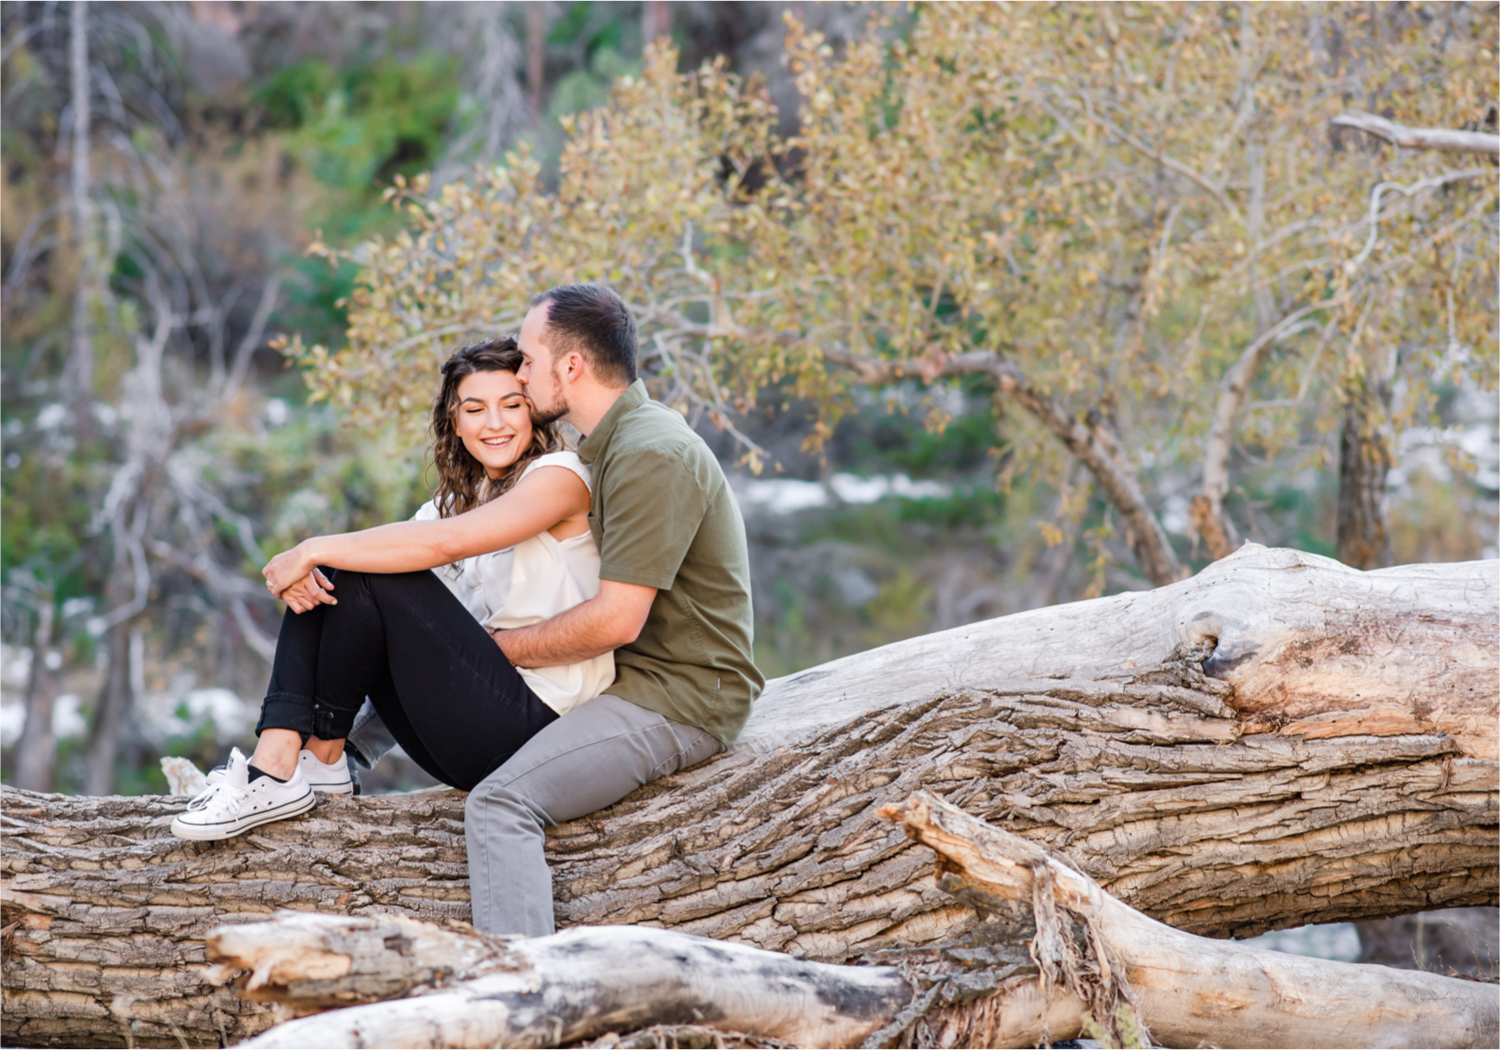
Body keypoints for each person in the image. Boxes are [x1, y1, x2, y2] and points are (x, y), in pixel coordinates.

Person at [172, 338, 614, 840]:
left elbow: (442, 545)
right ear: (454, 421)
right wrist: (311, 565)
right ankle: (313, 760)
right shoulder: (457, 500)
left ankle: (277, 768)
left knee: (356, 565)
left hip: (541, 735)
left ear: (534, 411)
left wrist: (312, 549)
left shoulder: (561, 477)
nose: (495, 423)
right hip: (471, 734)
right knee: (346, 569)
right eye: (475, 409)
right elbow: (388, 562)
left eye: (512, 405)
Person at [464, 283, 764, 937]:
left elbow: (615, 621)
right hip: (628, 683)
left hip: (678, 701)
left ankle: (519, 1000)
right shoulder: (610, 448)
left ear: (571, 366)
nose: (519, 373)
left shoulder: (650, 452)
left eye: (528, 359)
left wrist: (492, 651)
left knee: (500, 804)